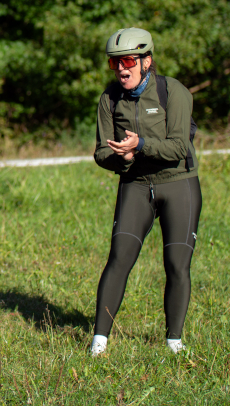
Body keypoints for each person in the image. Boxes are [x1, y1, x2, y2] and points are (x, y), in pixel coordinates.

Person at [90, 27, 200, 356]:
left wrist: (140, 145)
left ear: (146, 61)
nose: (121, 69)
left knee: (176, 263)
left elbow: (180, 146)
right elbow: (100, 152)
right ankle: (99, 342)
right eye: (114, 63)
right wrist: (122, 158)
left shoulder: (173, 92)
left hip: (178, 183)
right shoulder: (110, 98)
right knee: (118, 258)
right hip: (135, 185)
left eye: (127, 61)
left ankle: (173, 342)